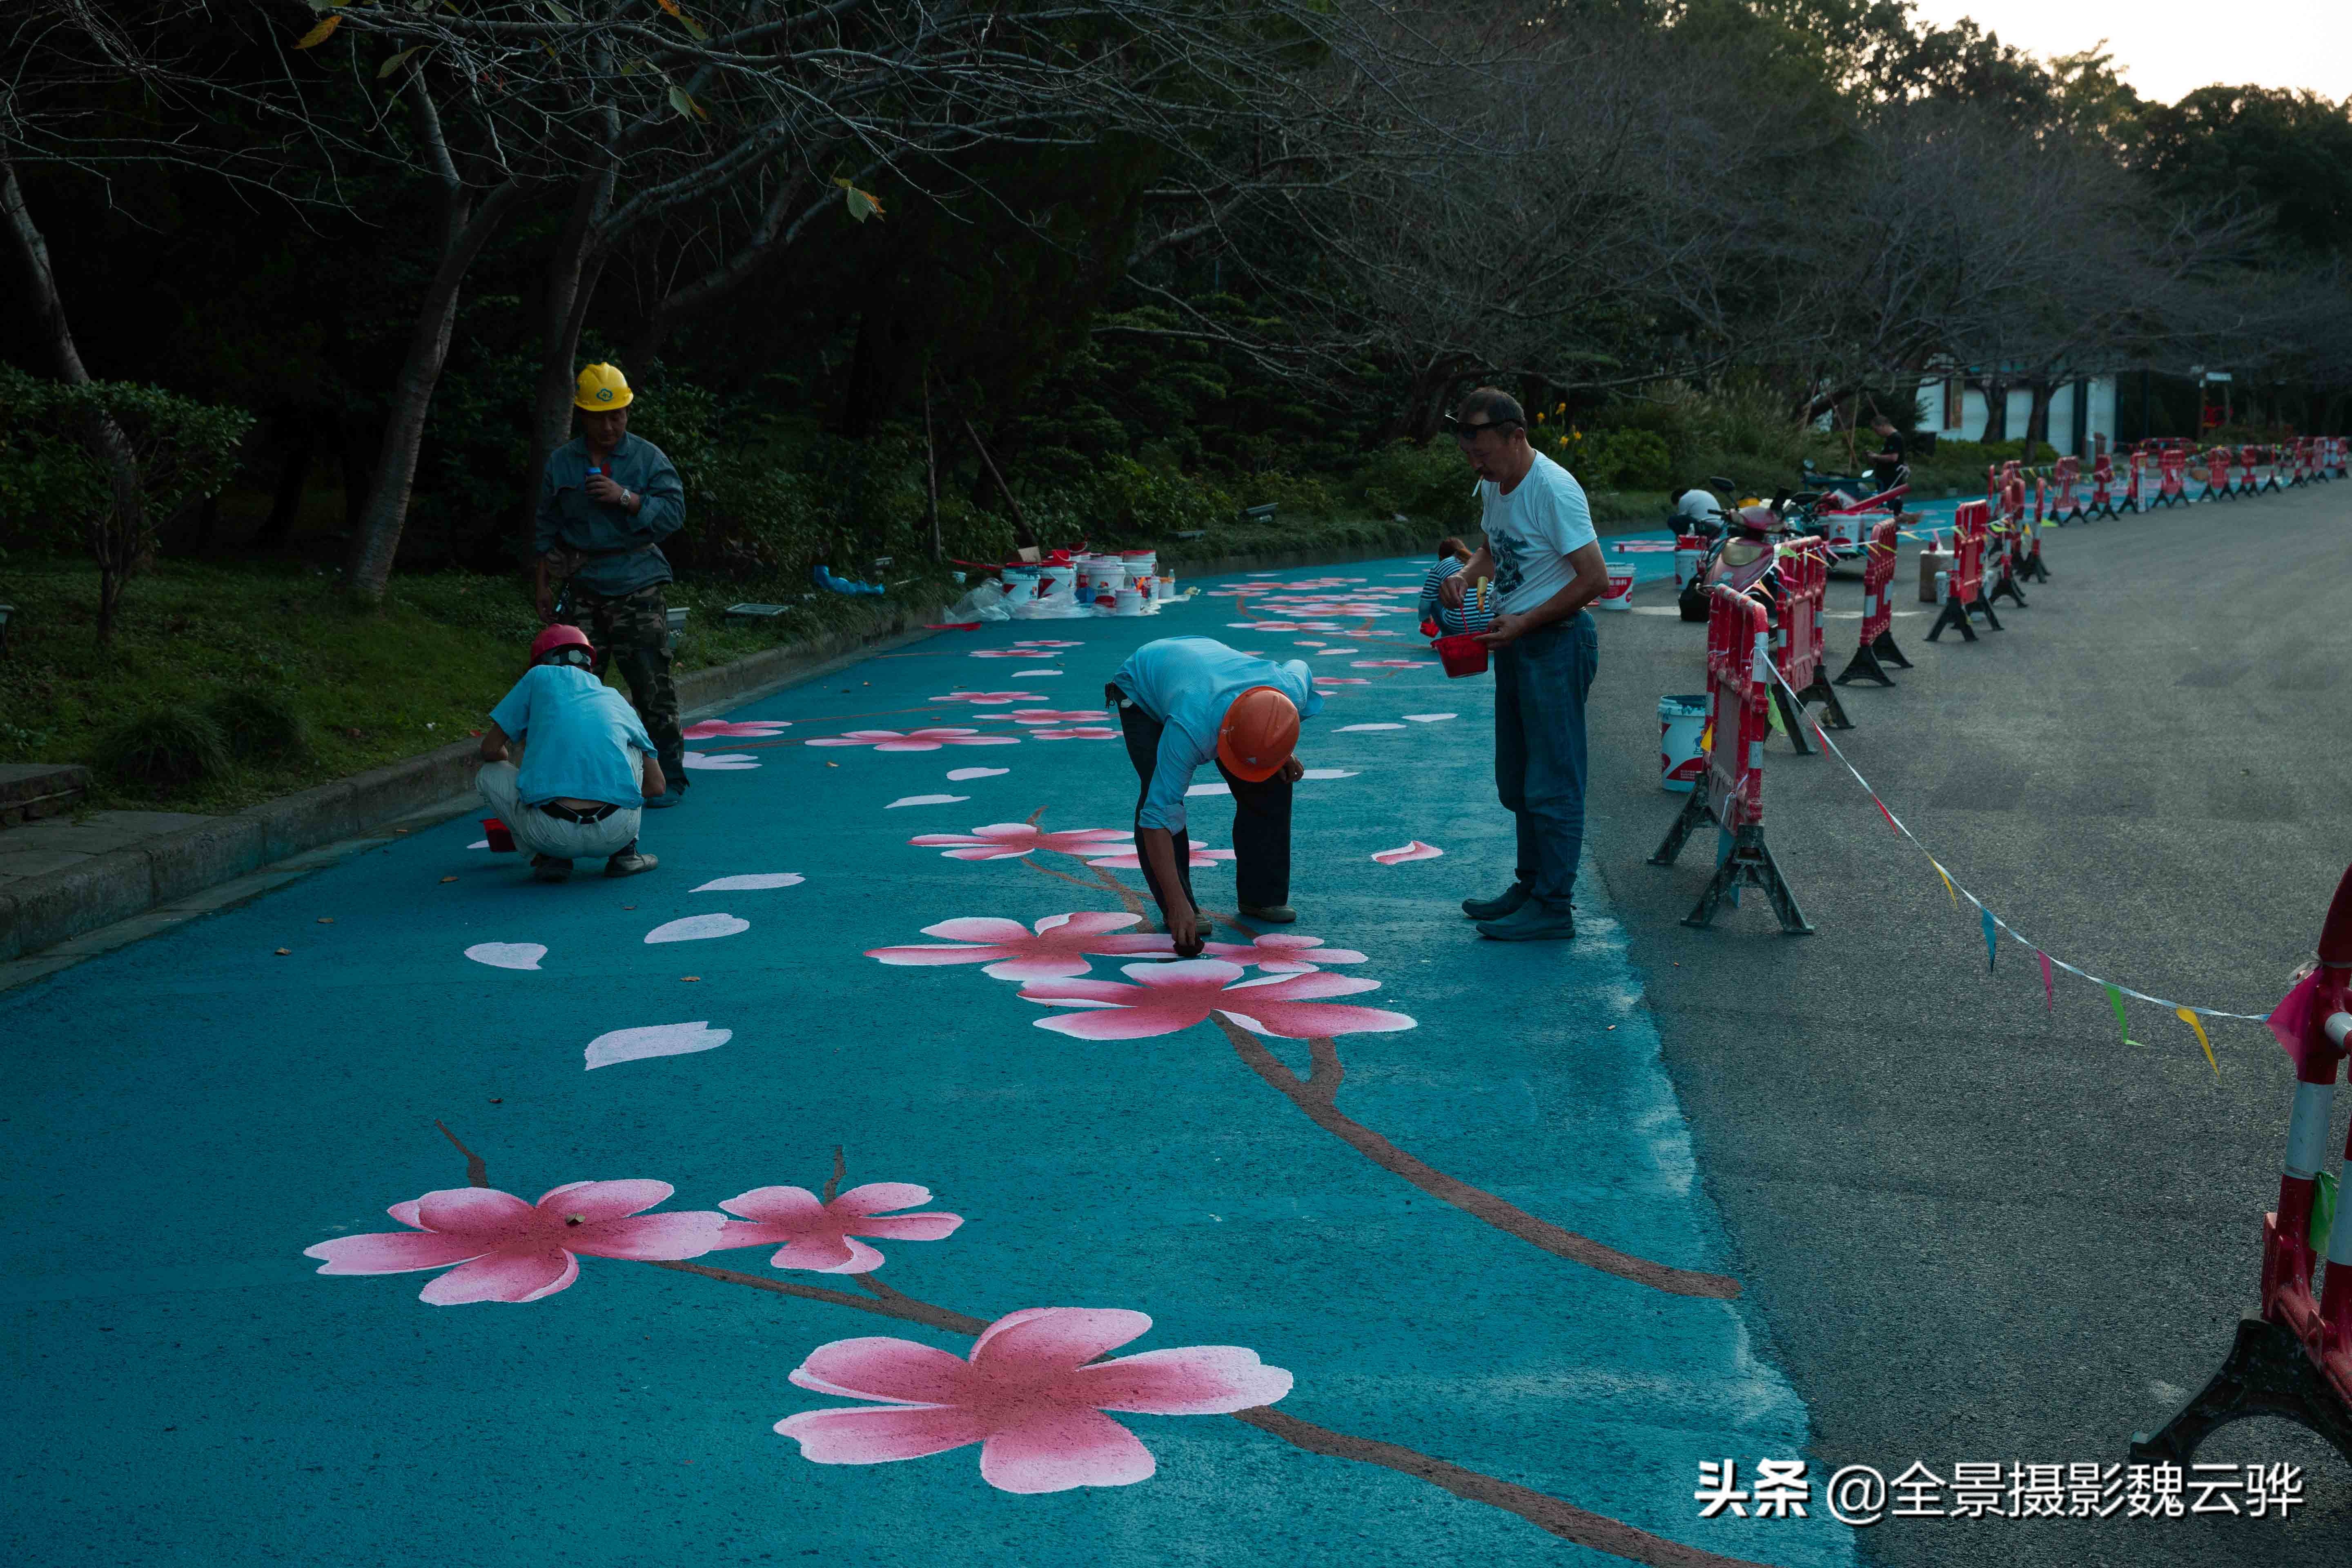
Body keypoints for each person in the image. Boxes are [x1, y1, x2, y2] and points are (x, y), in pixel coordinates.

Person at [1439, 388, 1608, 942]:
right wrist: (1466, 577)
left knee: (1553, 780)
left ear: (1517, 435)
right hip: (1516, 644)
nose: (1476, 463)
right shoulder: (1494, 484)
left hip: (1556, 644)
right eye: (1468, 451)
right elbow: (1494, 547)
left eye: (1483, 450)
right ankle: (1531, 884)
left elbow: (1595, 580)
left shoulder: (1553, 489)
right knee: (1517, 776)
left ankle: (1553, 904)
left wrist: (1526, 621)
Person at [535, 363, 690, 808]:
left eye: (617, 415)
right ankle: (575, 778)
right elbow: (545, 528)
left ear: (627, 412)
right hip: (583, 584)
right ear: (582, 414)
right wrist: (543, 586)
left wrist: (627, 498)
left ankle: (671, 777)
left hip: (637, 583)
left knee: (651, 685)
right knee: (574, 689)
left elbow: (674, 515)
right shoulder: (563, 462)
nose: (609, 425)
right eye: (599, 416)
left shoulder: (647, 459)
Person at [1107, 637, 1323, 955]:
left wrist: (1278, 747)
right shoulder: (1190, 730)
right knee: (1159, 790)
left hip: (1213, 675)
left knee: (1274, 779)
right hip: (1146, 682)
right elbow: (1157, 817)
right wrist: (1176, 902)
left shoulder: (1290, 688)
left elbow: (1300, 668)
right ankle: (1179, 905)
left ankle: (1261, 896)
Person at [477, 625, 663, 883]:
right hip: (617, 831)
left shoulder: (539, 677)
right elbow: (656, 787)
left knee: (488, 774)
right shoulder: (617, 699)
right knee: (630, 748)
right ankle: (626, 854)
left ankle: (546, 858)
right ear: (589, 665)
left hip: (551, 834)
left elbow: (489, 750)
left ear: (540, 663)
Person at [1417, 536, 1474, 629]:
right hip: (1490, 618)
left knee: (1432, 597)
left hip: (1460, 623)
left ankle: (1448, 636)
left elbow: (1424, 606)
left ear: (1441, 556)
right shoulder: (1476, 561)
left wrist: (1424, 620)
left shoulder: (1439, 567)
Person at [1865, 414, 1908, 502]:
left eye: (1876, 430)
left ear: (1883, 426)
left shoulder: (1895, 438)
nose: (1876, 433)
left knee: (1892, 506)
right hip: (1885, 480)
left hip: (1892, 480)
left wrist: (1876, 456)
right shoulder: (1890, 439)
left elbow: (1894, 458)